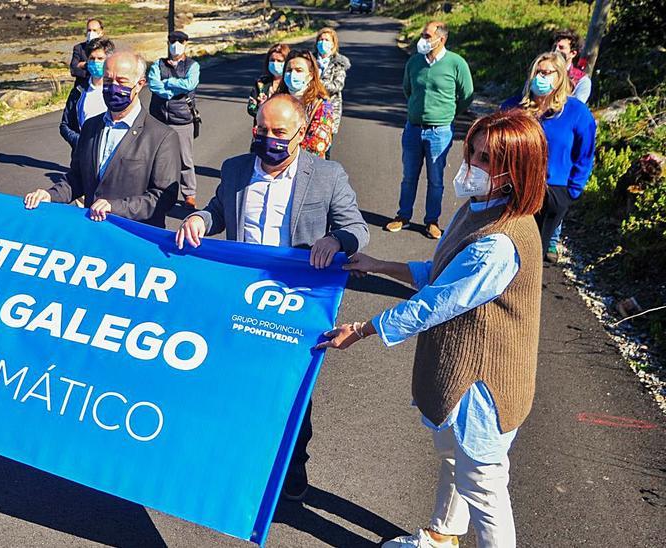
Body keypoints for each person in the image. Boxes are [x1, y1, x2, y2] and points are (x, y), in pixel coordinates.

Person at [316, 110, 548, 548]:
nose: (472, 166)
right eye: (473, 153)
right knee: (455, 460)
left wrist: (364, 329)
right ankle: (441, 536)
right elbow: (439, 271)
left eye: (487, 160)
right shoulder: (479, 210)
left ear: (516, 172)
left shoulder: (501, 240)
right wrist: (380, 264)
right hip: (463, 373)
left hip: (485, 381)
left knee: (483, 483)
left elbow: (437, 303)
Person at [175, 94, 369, 500]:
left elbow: (357, 229)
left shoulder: (328, 175)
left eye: (280, 133)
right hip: (241, 298)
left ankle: (293, 467)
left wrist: (335, 239)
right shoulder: (235, 169)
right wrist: (198, 218)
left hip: (296, 301)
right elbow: (217, 212)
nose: (269, 139)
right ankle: (237, 463)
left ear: (301, 134)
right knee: (235, 380)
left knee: (290, 389)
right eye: (262, 130)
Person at [23, 51, 181, 228]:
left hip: (135, 236)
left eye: (121, 81)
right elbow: (77, 178)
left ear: (140, 84)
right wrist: (50, 195)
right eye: (107, 81)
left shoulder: (162, 137)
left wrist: (115, 208)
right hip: (94, 233)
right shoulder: (91, 127)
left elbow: (163, 197)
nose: (112, 87)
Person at [501, 52, 596, 263]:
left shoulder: (576, 112)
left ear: (559, 77)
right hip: (515, 189)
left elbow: (585, 154)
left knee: (532, 254)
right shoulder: (513, 108)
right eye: (537, 72)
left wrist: (572, 191)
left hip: (552, 192)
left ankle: (523, 293)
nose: (540, 77)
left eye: (547, 73)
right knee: (504, 246)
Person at [387, 20, 474, 239]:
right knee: (409, 176)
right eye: (423, 35)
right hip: (413, 129)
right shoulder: (414, 62)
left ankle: (432, 221)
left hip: (440, 132)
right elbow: (408, 89)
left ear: (441, 39)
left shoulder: (456, 63)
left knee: (435, 178)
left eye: (427, 36)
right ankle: (403, 215)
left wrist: (448, 113)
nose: (422, 40)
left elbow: (467, 95)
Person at [148, 30, 201, 207]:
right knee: (156, 158)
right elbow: (154, 85)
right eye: (172, 40)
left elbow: (189, 84)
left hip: (182, 118)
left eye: (180, 41)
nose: (175, 44)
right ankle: (157, 191)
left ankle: (189, 194)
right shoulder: (158, 64)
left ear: (186, 43)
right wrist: (172, 91)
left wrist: (168, 83)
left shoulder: (193, 65)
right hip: (159, 118)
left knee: (185, 159)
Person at [275, 50, 335, 159]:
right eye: (289, 70)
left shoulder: (322, 104)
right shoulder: (276, 101)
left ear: (311, 75)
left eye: (299, 70)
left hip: (307, 166)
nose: (292, 74)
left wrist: (285, 155)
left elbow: (318, 142)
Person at [60, 37, 114, 149]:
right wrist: (80, 142)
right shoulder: (79, 91)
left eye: (100, 58)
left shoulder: (117, 90)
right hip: (84, 158)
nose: (96, 62)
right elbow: (65, 125)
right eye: (92, 58)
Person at [314, 28, 351, 138]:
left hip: (329, 109)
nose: (323, 43)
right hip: (309, 107)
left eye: (326, 40)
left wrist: (316, 84)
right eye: (320, 40)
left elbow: (337, 86)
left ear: (333, 44)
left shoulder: (339, 63)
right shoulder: (309, 60)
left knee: (324, 145)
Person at [248, 43, 291, 119]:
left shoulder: (292, 83)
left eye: (279, 61)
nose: (275, 64)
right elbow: (251, 108)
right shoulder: (261, 83)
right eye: (272, 60)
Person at [552, 29, 591, 103]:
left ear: (573, 53)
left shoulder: (582, 81)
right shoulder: (541, 72)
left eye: (561, 47)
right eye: (555, 47)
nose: (555, 50)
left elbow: (576, 109)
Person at [70, 19, 104, 83]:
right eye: (89, 30)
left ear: (101, 32)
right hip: (82, 86)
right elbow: (73, 70)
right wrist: (88, 66)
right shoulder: (79, 48)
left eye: (94, 30)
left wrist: (81, 65)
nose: (91, 33)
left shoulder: (106, 48)